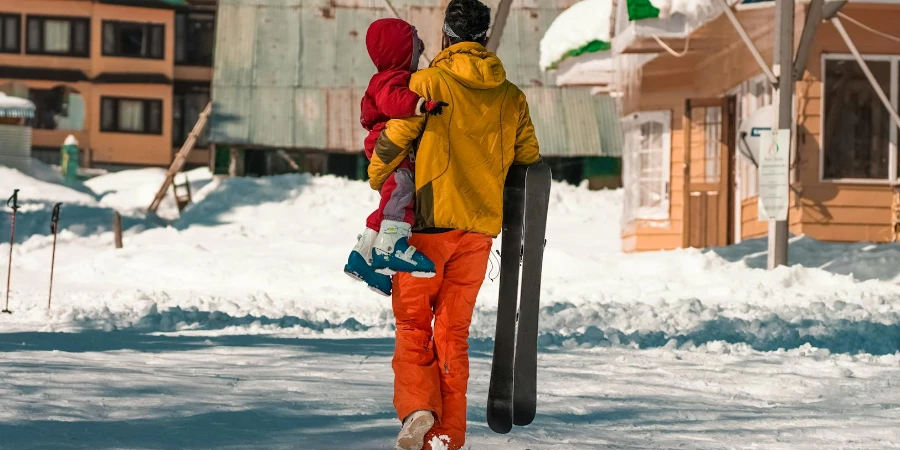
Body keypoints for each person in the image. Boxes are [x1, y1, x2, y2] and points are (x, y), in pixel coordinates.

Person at [368, 0, 541, 448]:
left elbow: (395, 138)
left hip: (427, 227)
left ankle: (419, 411)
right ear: (484, 37)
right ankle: (448, 436)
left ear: (445, 35)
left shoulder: (427, 83)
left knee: (412, 325)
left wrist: (376, 172)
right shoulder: (511, 97)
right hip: (478, 232)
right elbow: (528, 161)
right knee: (452, 332)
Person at [344, 18, 449, 296]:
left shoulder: (383, 77)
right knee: (402, 190)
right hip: (388, 142)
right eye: (415, 48)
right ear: (399, 51)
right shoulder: (393, 78)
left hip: (380, 141)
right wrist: (420, 105)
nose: (419, 52)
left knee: (391, 194)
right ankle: (391, 246)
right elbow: (393, 101)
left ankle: (363, 255)